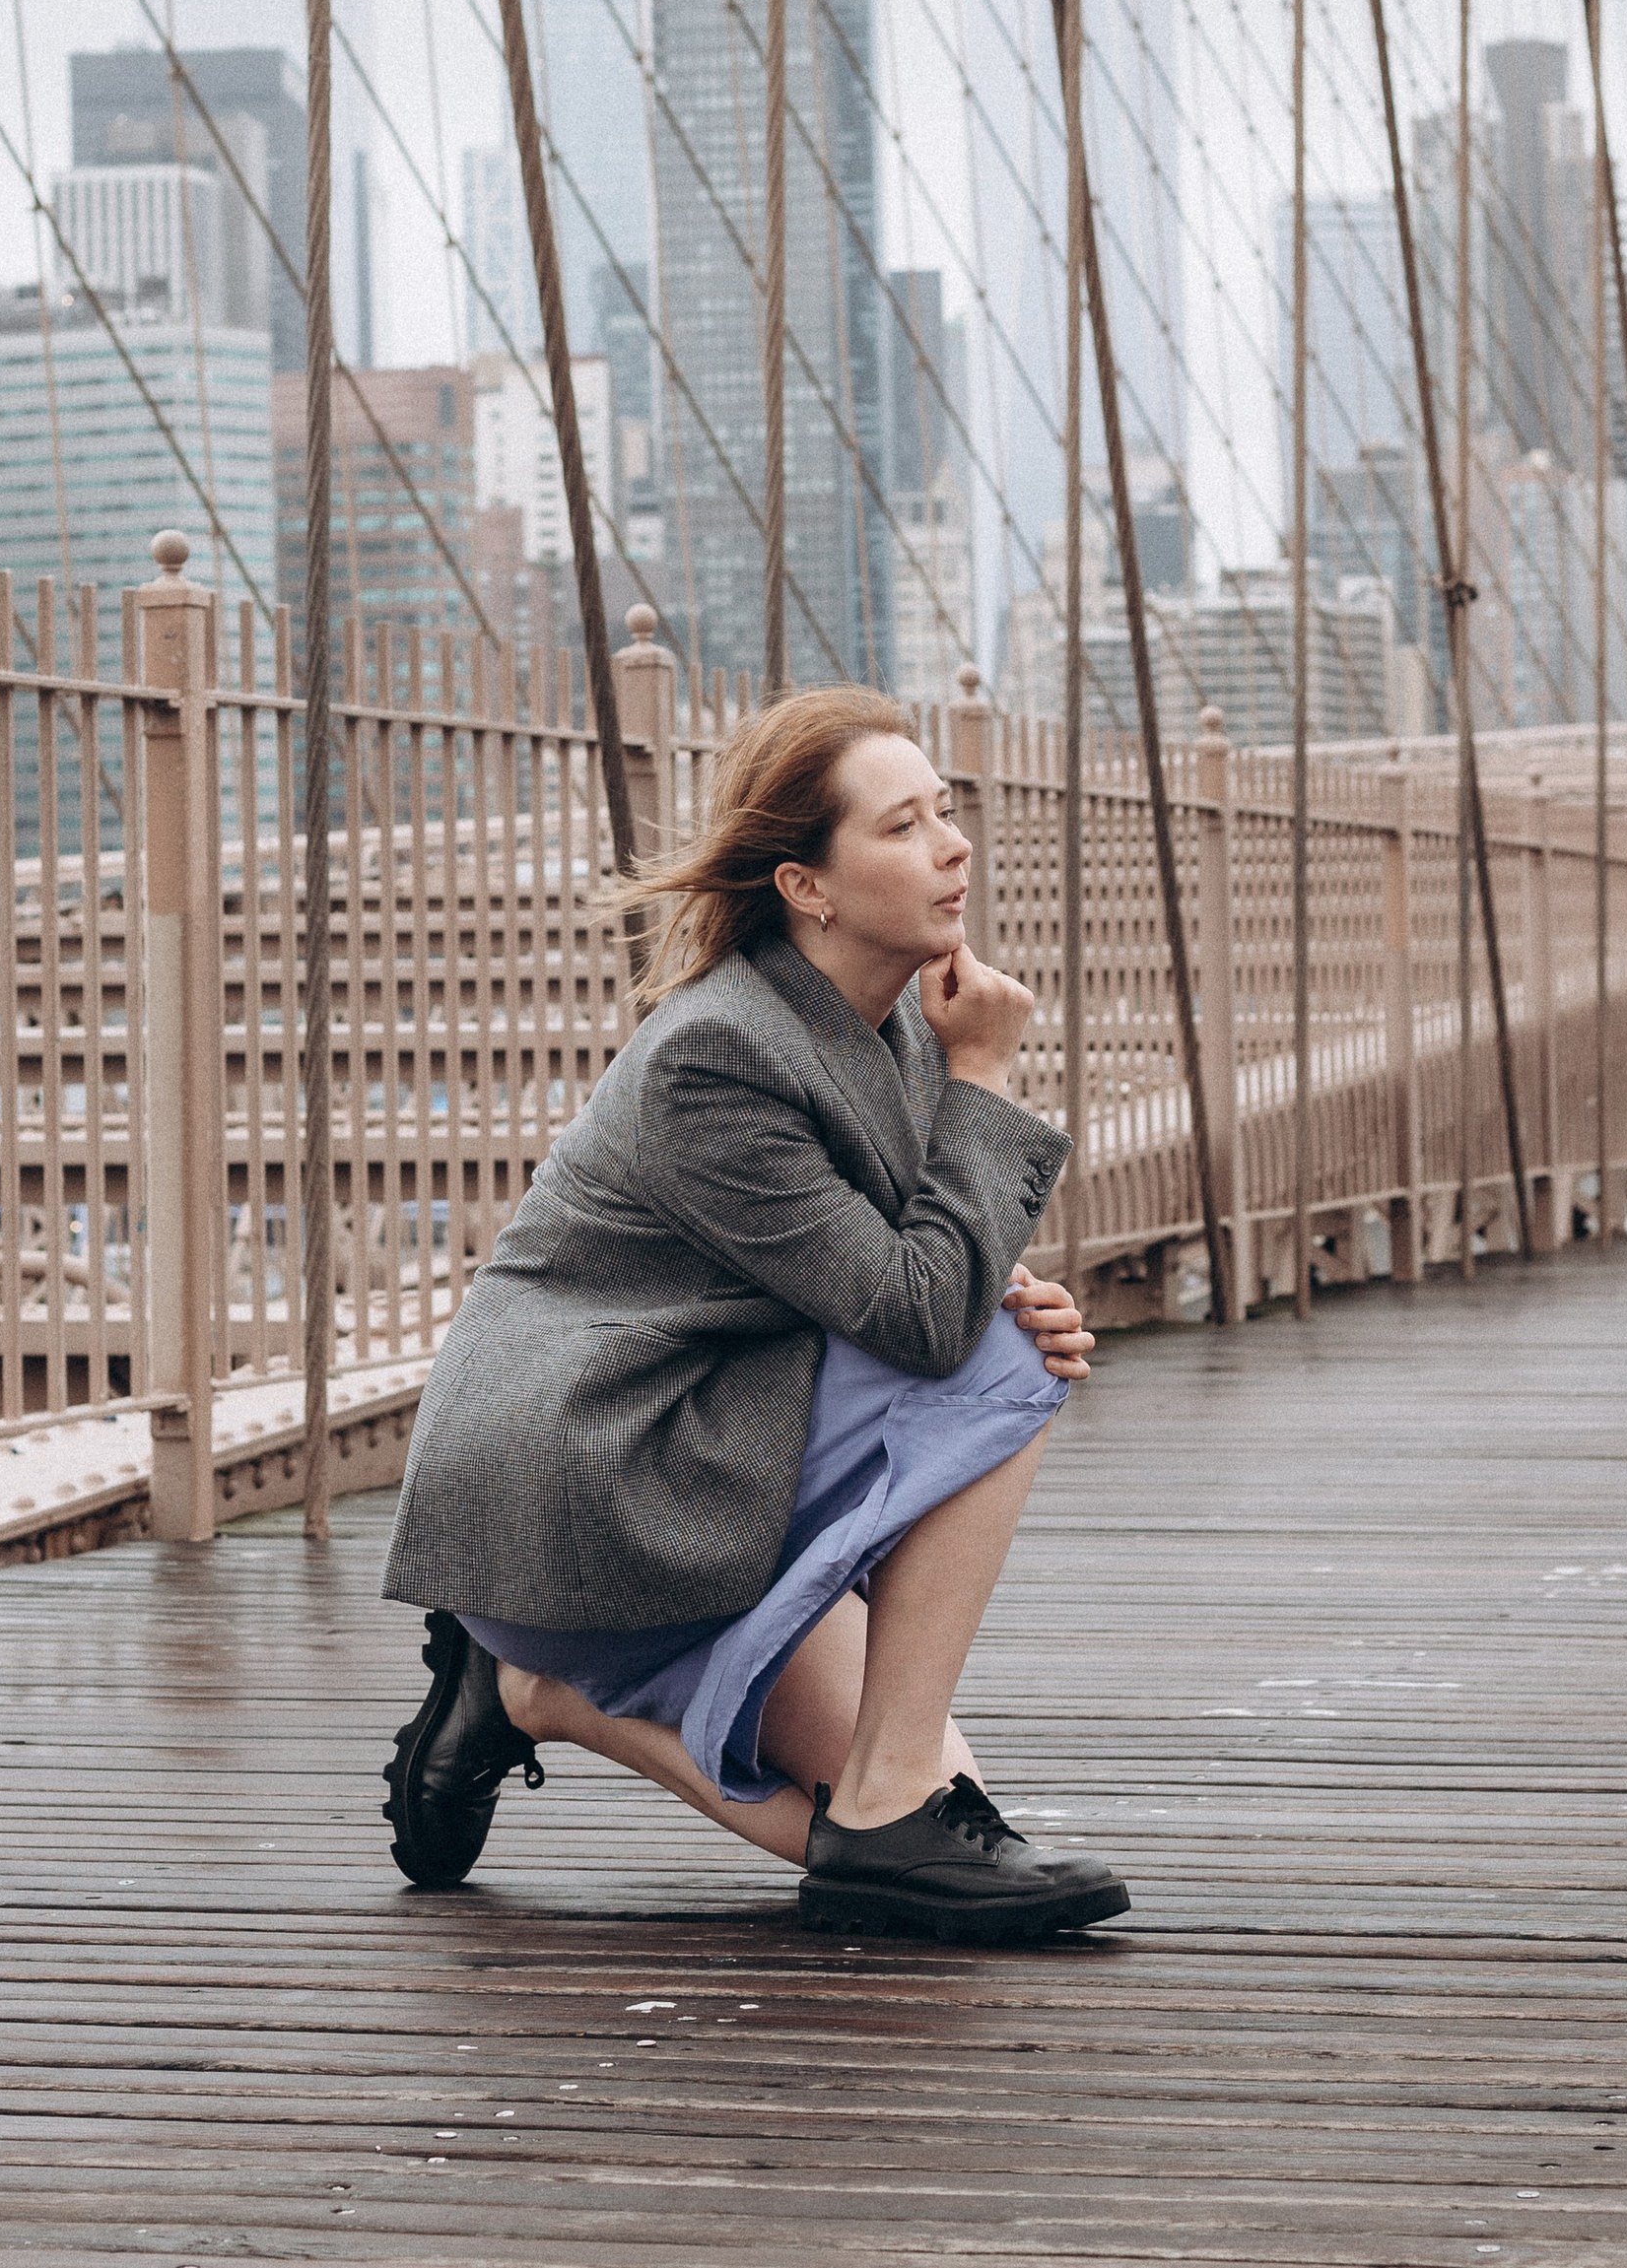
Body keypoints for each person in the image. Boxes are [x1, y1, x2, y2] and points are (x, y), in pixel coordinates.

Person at [378, 684, 1127, 1946]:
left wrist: (987, 1277)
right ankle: (833, 1788)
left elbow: (877, 1277)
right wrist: (986, 1080)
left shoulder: (882, 1024)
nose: (952, 845)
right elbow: (917, 1319)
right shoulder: (715, 1055)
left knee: (947, 1814)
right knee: (995, 1362)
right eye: (903, 826)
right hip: (590, 1473)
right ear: (807, 887)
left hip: (713, 1437)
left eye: (947, 812)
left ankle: (537, 1699)